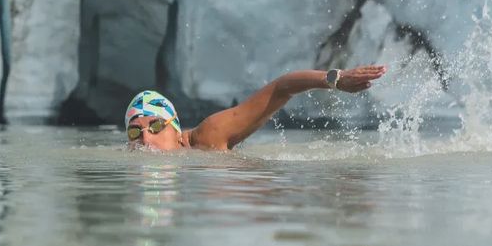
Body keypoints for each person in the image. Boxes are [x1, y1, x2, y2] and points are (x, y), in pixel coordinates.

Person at [124, 65, 387, 151]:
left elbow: (282, 88)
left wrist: (336, 79)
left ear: (175, 127)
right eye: (135, 133)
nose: (146, 138)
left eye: (156, 126)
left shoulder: (208, 136)